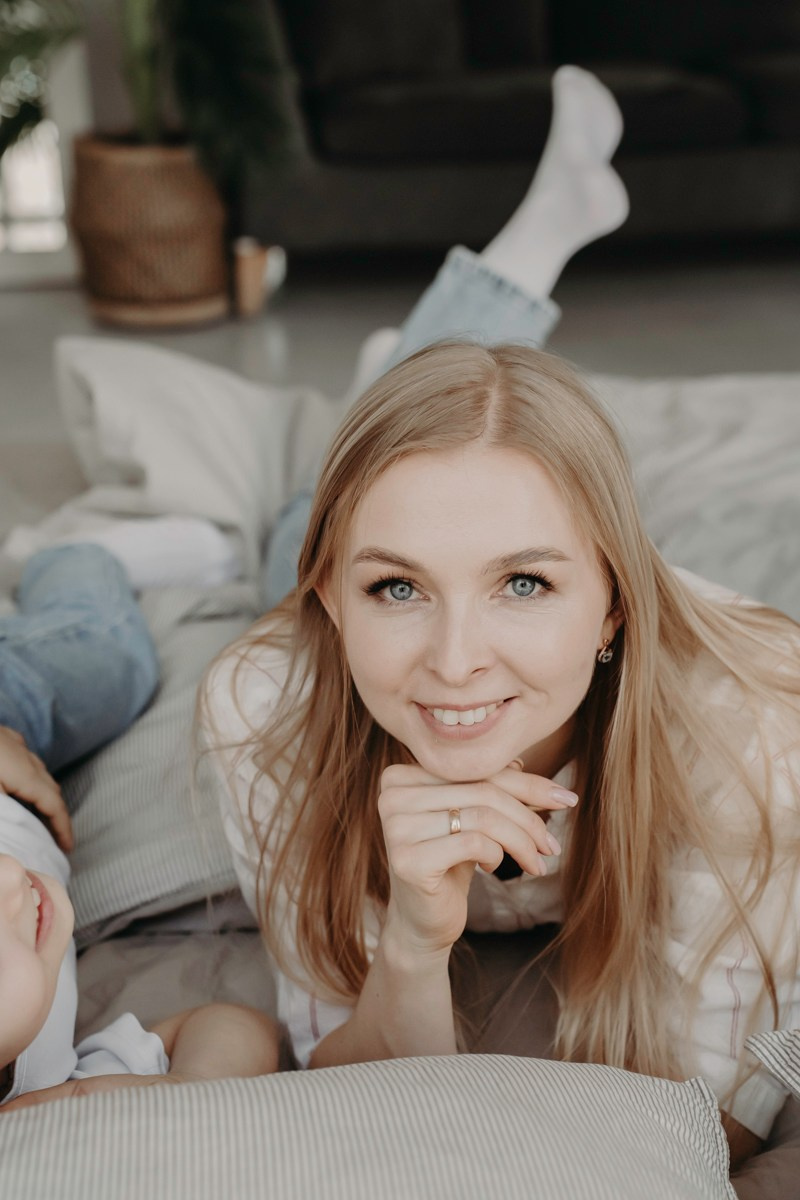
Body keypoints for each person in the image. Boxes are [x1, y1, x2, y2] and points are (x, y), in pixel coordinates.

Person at [199, 75, 800, 1174]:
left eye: (523, 583)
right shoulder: (263, 703)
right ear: (331, 600)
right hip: (316, 573)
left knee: (378, 470)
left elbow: (705, 1125)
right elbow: (347, 1076)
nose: (454, 662)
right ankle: (413, 371)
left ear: (614, 605)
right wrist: (411, 948)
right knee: (295, 526)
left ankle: (418, 357)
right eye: (395, 590)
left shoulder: (751, 731)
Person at [0, 544, 280, 1109]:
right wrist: (187, 1084)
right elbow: (236, 1025)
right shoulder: (52, 1100)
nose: (8, 873)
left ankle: (77, 552)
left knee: (109, 659)